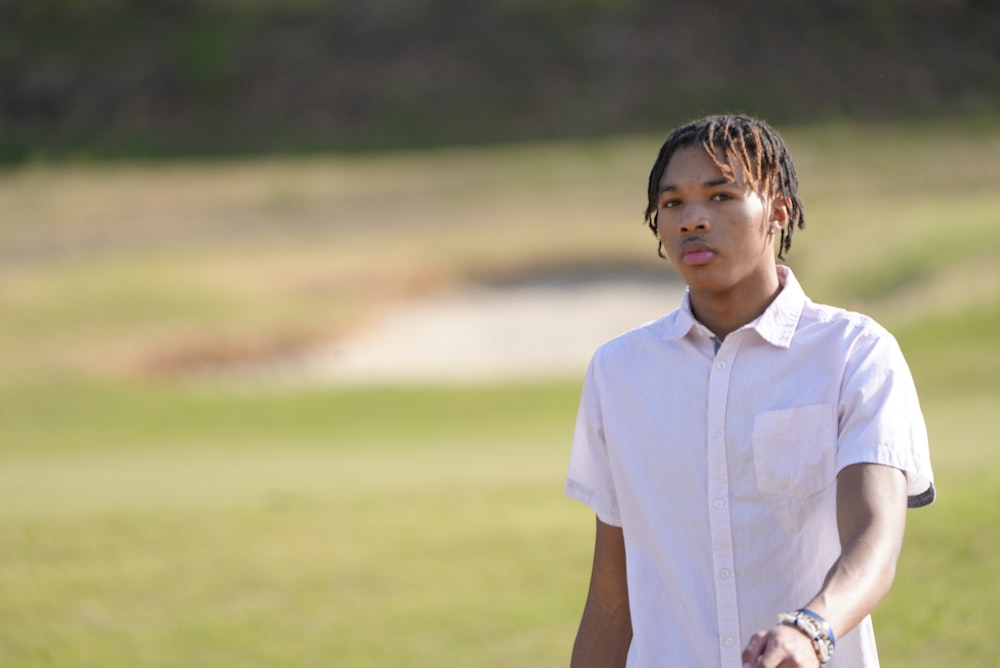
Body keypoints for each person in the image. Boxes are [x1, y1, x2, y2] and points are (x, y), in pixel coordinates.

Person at [565, 114, 934, 667]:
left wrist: (811, 630)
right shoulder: (617, 371)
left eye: (720, 196)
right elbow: (612, 598)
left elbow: (873, 536)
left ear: (779, 211)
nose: (692, 219)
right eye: (673, 204)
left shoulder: (855, 353)